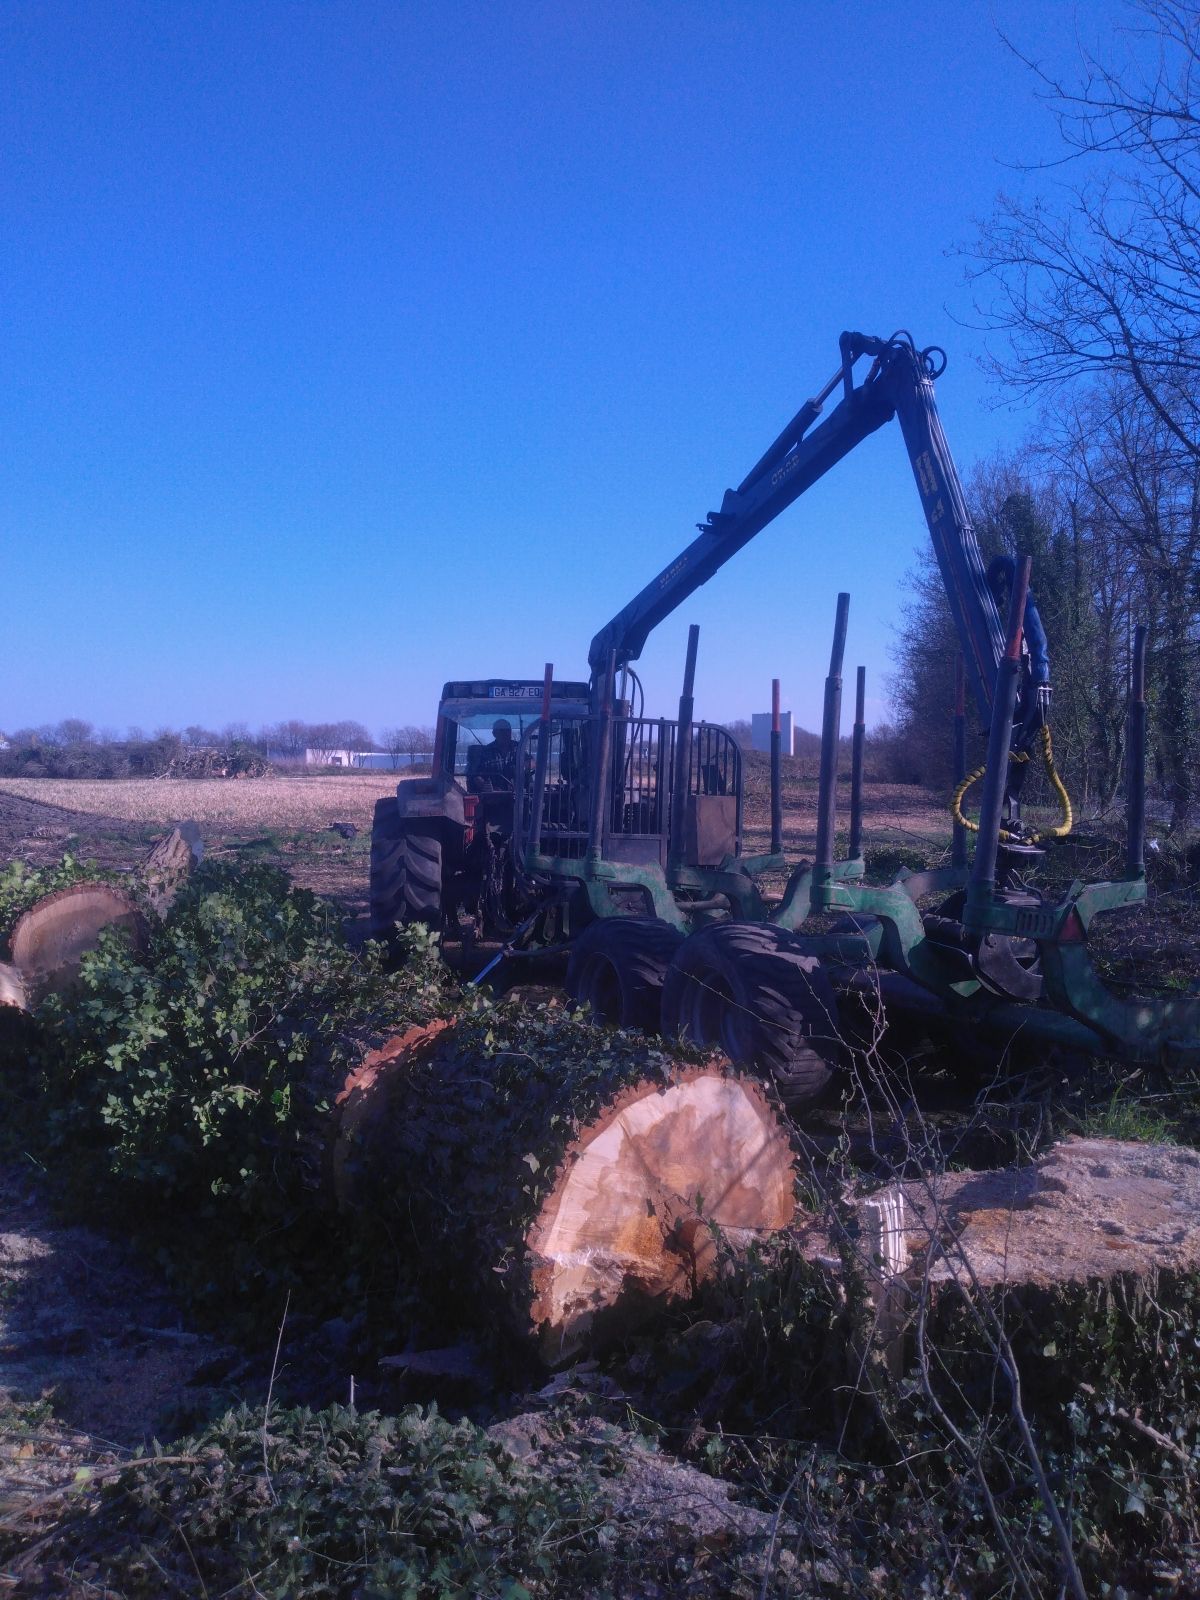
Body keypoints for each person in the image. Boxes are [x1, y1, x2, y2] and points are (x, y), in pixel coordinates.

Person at [473, 717, 516, 789]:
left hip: (520, 795)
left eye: (508, 730)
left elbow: (532, 763)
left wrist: (523, 766)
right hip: (495, 796)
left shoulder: (519, 747)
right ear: (494, 733)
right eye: (502, 730)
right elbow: (476, 775)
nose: (505, 733)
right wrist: (484, 785)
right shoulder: (486, 751)